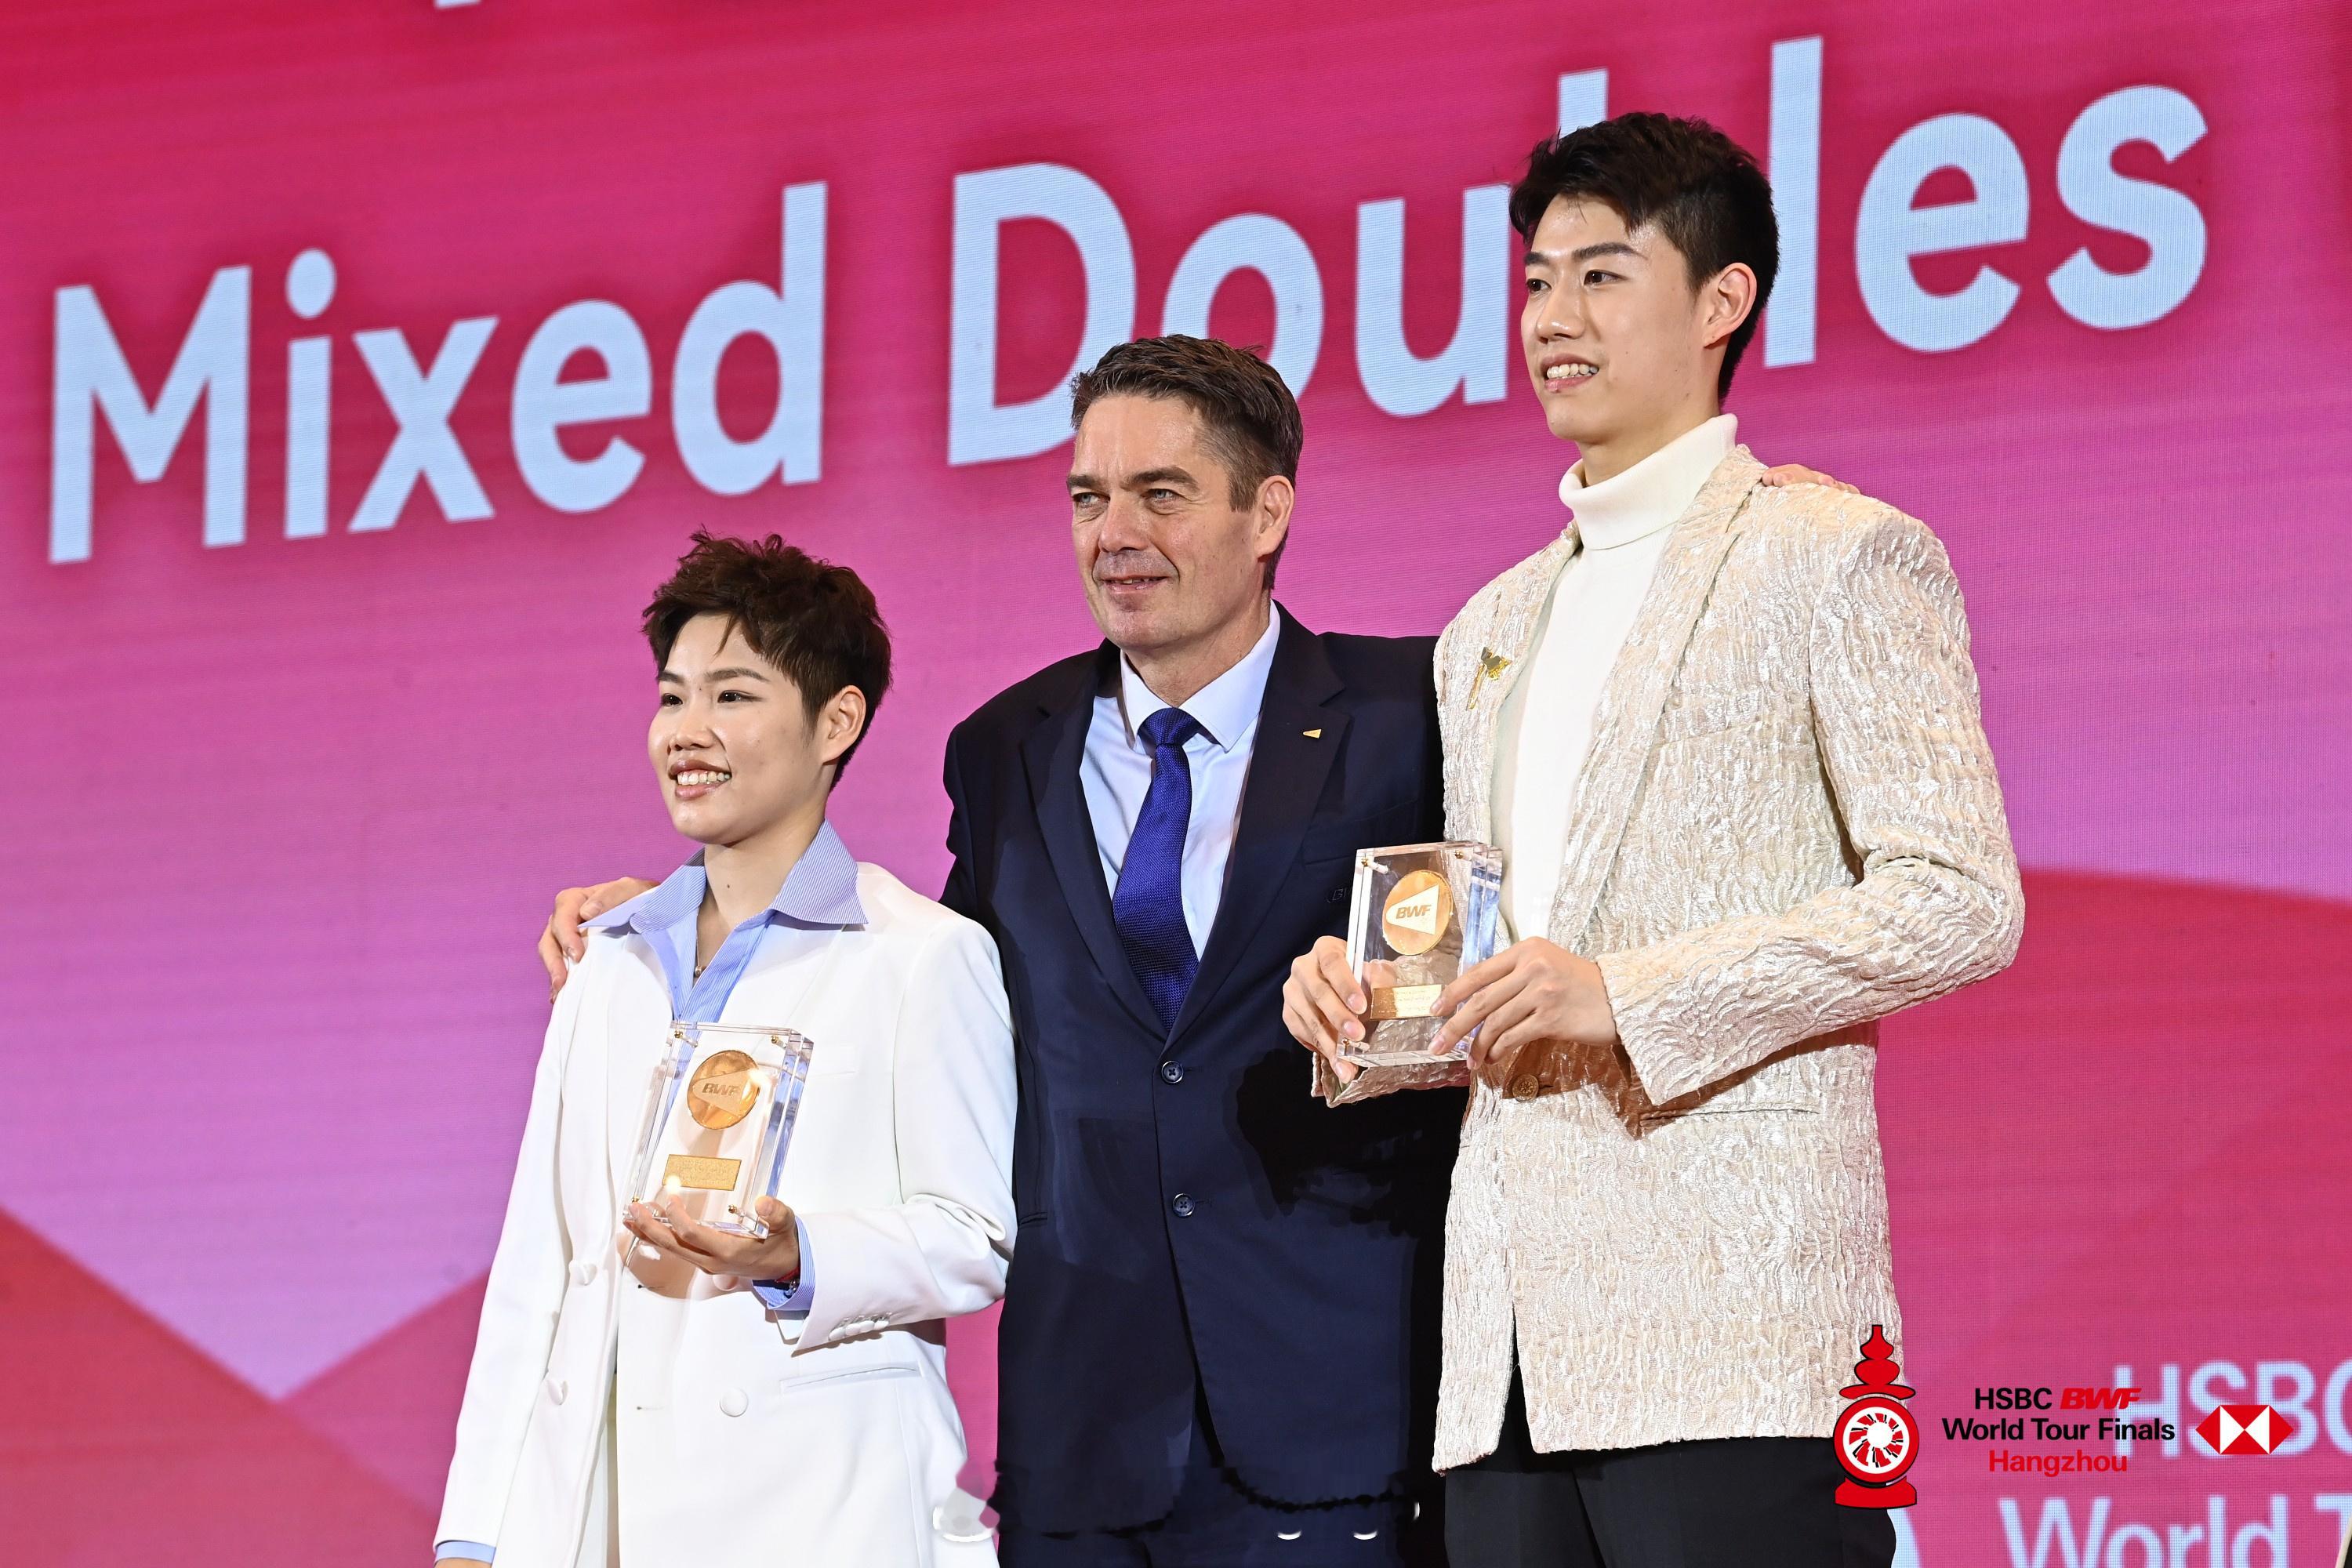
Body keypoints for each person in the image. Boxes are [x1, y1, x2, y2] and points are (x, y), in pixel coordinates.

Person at [539, 338, 1840, 1567]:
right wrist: (704, 914)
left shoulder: (1411, 712)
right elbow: (924, 991)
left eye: (1161, 494)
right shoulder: (1004, 748)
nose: (1115, 534)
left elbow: (1525, 947)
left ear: (1267, 512)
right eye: (1088, 497)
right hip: (1082, 1430)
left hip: (1343, 1421)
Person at [1283, 112, 2024, 1567]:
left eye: (1601, 276)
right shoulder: (1490, 623)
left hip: (1736, 1335)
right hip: (1505, 1356)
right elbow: (1497, 974)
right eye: (1536, 281)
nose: (1552, 318)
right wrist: (1369, 1016)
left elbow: (1959, 898)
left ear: (1721, 300)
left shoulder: (1840, 556)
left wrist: (1629, 994)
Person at [438, 532, 1016, 1568]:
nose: (687, 733)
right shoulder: (607, 960)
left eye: (733, 696)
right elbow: (538, 1266)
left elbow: (976, 1236)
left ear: (836, 721)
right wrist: (475, 1534)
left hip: (821, 1511)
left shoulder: (921, 955)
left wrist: (801, 1253)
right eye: (672, 697)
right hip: (599, 1521)